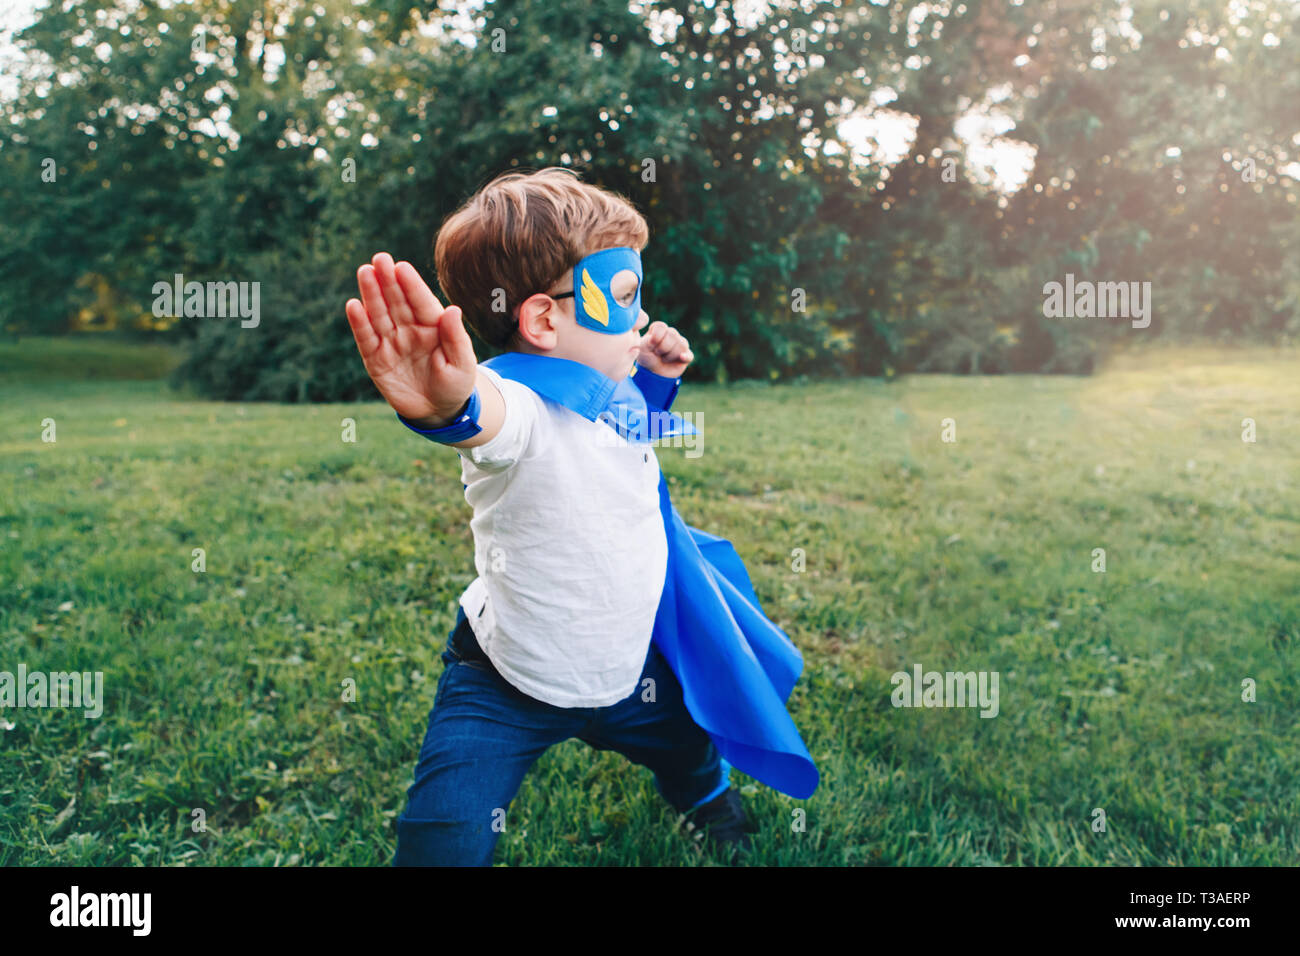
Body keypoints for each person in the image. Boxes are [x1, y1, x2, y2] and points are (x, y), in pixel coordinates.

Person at [344, 167, 809, 866]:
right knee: (447, 832)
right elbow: (487, 423)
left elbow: (621, 433)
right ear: (543, 320)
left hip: (625, 673)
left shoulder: (603, 388)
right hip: (508, 682)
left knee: (687, 748)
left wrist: (655, 378)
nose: (642, 318)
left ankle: (712, 805)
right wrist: (449, 407)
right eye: (624, 299)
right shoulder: (516, 403)